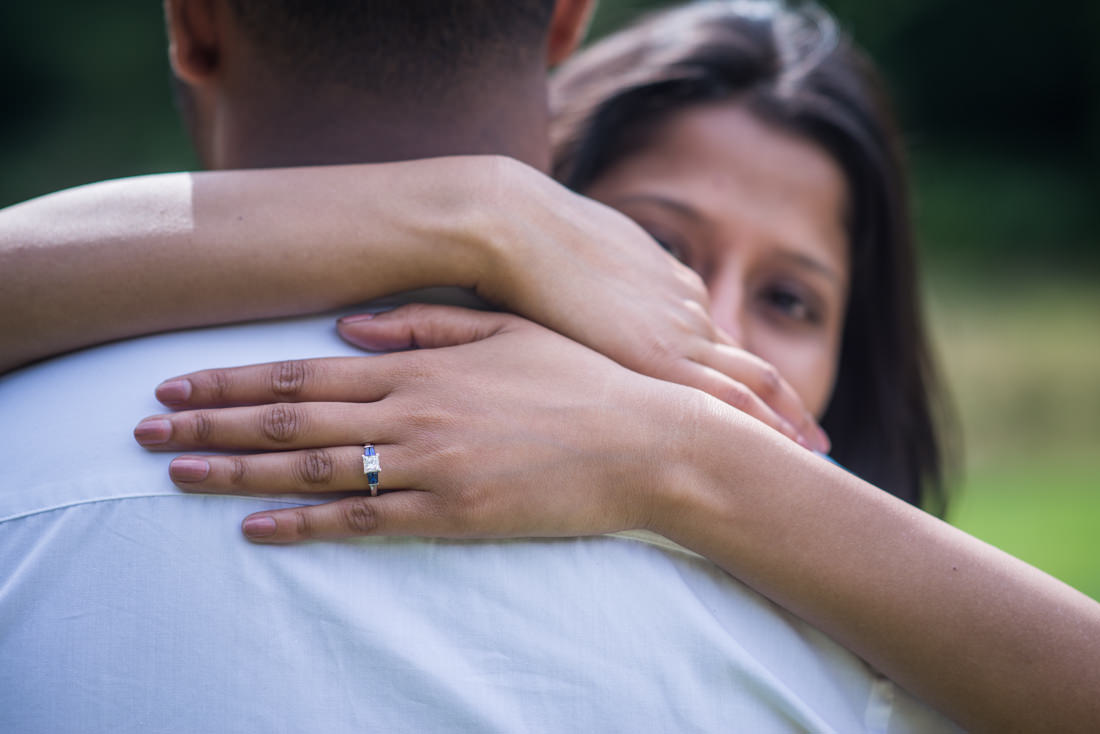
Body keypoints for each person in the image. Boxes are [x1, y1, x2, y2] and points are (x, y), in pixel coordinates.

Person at [0, 1, 970, 732]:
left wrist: (682, 457)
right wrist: (473, 207)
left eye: (789, 300)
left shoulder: (887, 620)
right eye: (654, 246)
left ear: (194, 25)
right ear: (564, 23)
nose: (709, 330)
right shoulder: (855, 656)